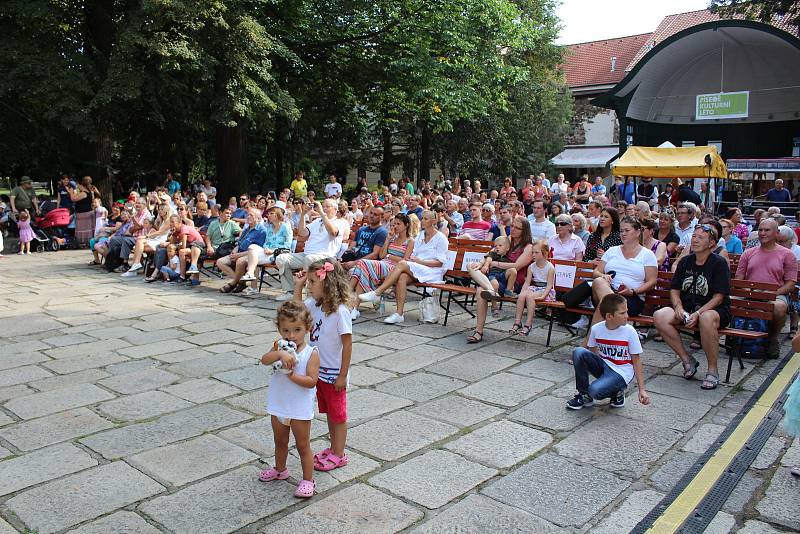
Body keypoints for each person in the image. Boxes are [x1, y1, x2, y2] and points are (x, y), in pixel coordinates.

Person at [292, 260, 352, 474]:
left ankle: (339, 453)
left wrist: (343, 375)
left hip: (334, 373)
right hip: (319, 373)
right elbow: (296, 313)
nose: (309, 286)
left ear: (327, 284)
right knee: (329, 413)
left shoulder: (340, 311)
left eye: (311, 282)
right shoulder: (314, 305)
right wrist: (298, 286)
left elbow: (347, 344)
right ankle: (333, 447)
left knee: (338, 416)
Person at [654, 224, 731, 389]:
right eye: (694, 236)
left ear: (712, 243)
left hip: (714, 310)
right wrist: (678, 307)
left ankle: (712, 370)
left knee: (706, 317)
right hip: (687, 308)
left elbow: (719, 297)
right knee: (660, 315)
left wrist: (698, 313)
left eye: (700, 237)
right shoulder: (685, 261)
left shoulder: (719, 263)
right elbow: (674, 289)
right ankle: (687, 360)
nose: (695, 240)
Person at [258, 301, 320, 498]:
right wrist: (278, 353)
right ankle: (280, 469)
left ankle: (308, 480)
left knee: (303, 445)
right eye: (286, 330)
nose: (291, 335)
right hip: (279, 404)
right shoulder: (279, 346)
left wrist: (292, 376)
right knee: (280, 441)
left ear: (307, 328)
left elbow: (312, 381)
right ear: (279, 329)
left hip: (299, 409)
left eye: (297, 330)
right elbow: (264, 360)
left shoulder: (311, 353)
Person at [358, 210, 448, 324]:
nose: (422, 221)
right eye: (422, 218)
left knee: (401, 264)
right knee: (402, 277)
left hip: (431, 271)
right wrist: (414, 261)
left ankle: (377, 292)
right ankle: (399, 314)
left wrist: (420, 262)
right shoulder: (420, 235)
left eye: (426, 219)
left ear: (434, 221)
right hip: (417, 268)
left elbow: (439, 263)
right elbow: (412, 255)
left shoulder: (441, 238)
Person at [567, 294, 650, 410]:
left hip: (621, 373)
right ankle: (584, 394)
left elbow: (636, 361)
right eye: (622, 313)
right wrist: (600, 374)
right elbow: (592, 353)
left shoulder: (630, 331)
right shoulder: (596, 329)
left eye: (627, 311)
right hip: (605, 366)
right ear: (609, 316)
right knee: (579, 352)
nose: (627, 316)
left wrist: (642, 390)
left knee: (594, 390)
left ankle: (617, 392)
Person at [466, 216, 534, 343]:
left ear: (524, 231)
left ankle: (478, 332)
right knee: (471, 266)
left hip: (511, 282)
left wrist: (494, 264)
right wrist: (482, 264)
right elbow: (489, 253)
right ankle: (491, 291)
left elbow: (516, 266)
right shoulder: (507, 239)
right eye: (512, 226)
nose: (512, 229)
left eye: (517, 228)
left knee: (480, 290)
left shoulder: (528, 247)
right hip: (494, 279)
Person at [736, 218, 798, 358]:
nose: (762, 233)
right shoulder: (748, 253)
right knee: (726, 300)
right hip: (749, 292)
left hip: (775, 293)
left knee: (779, 307)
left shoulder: (787, 254)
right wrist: (748, 291)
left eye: (767, 230)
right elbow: (739, 279)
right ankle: (734, 337)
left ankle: (773, 338)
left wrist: (771, 293)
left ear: (776, 233)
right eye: (760, 230)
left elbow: (790, 284)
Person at [587, 217, 658, 329]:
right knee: (599, 281)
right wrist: (603, 275)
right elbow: (596, 272)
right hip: (607, 290)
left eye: (627, 230)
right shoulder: (612, 250)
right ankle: (618, 329)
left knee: (605, 305)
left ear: (638, 232)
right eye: (621, 231)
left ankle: (590, 342)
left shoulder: (647, 255)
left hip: (631, 299)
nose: (623, 234)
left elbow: (652, 281)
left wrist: (633, 291)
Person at [274, 199, 349, 301]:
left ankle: (310, 294)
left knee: (309, 259)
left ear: (335, 209)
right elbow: (302, 233)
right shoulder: (317, 221)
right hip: (307, 255)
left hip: (326, 257)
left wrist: (322, 213)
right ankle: (290, 291)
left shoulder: (340, 222)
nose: (324, 208)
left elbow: (332, 232)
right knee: (281, 258)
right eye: (323, 206)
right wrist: (303, 213)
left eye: (327, 206)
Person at [350, 214, 414, 303]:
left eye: (398, 224)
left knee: (362, 263)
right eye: (394, 224)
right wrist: (388, 239)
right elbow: (381, 255)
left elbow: (405, 260)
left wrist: (389, 256)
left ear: (406, 225)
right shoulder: (392, 238)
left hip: (395, 269)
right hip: (384, 264)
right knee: (363, 269)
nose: (395, 226)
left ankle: (347, 294)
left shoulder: (410, 241)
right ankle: (354, 309)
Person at [509, 240, 555, 336]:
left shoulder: (550, 267)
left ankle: (528, 324)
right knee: (522, 296)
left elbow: (550, 285)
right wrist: (522, 292)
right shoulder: (531, 266)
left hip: (546, 290)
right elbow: (527, 282)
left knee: (530, 296)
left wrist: (543, 296)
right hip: (535, 288)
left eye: (536, 252)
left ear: (545, 253)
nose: (533, 255)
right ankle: (517, 322)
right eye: (532, 252)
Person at [468, 236, 517, 317]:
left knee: (513, 270)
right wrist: (486, 266)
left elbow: (511, 269)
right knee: (494, 284)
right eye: (495, 246)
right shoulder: (493, 254)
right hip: (492, 275)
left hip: (502, 276)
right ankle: (494, 306)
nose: (497, 247)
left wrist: (511, 284)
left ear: (507, 248)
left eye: (500, 245)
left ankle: (508, 291)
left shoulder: (508, 258)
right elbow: (489, 259)